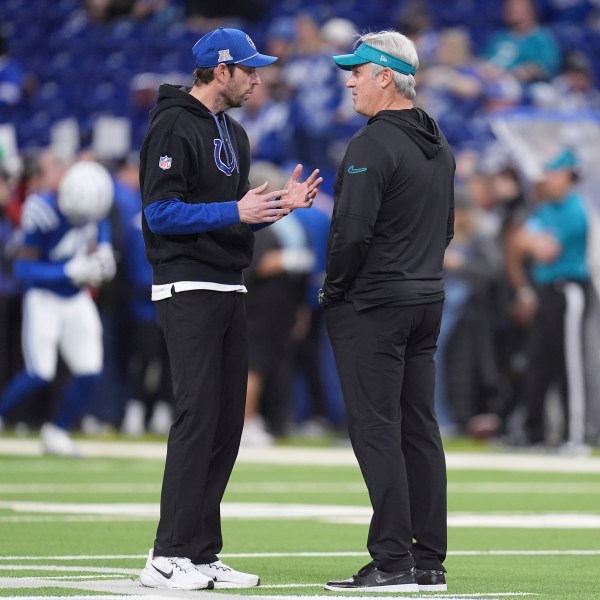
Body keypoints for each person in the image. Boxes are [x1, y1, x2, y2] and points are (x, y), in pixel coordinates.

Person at [138, 27, 322, 591]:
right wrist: (235, 210)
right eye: (249, 69)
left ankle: (199, 550)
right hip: (187, 286)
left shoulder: (234, 134)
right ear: (221, 70)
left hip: (229, 285)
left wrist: (275, 208)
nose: (259, 78)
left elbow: (234, 214)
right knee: (197, 419)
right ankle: (165, 555)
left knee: (225, 423)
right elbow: (160, 214)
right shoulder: (171, 124)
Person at [318, 30, 455, 593]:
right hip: (426, 297)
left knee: (378, 430)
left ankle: (393, 561)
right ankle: (428, 562)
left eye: (356, 71)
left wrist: (334, 289)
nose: (349, 81)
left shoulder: (372, 144)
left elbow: (350, 233)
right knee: (420, 429)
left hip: (376, 302)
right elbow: (445, 230)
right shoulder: (439, 143)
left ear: (383, 76)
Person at [0, 156, 116, 456]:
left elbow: (99, 228)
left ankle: (58, 431)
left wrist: (103, 257)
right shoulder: (41, 211)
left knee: (90, 369)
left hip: (75, 298)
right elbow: (23, 271)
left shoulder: (94, 210)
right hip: (44, 298)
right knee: (40, 371)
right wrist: (67, 271)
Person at [505, 149, 590, 451]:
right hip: (545, 290)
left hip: (568, 289)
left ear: (567, 176)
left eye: (554, 174)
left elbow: (543, 249)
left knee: (570, 364)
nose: (548, 180)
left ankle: (574, 435)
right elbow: (517, 241)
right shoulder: (547, 209)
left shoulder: (574, 210)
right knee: (538, 360)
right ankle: (533, 432)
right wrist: (529, 240)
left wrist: (528, 240)